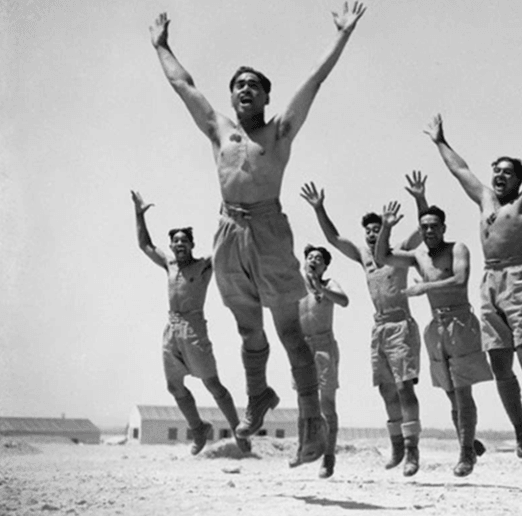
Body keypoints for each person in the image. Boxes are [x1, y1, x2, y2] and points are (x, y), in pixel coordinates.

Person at [149, 2, 366, 465]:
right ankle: (259, 395)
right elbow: (182, 84)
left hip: (268, 229)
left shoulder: (279, 134)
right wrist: (161, 45)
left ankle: (311, 430)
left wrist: (342, 35)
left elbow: (315, 80)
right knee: (248, 328)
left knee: (290, 331)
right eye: (239, 85)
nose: (246, 89)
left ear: (266, 98)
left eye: (255, 85)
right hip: (228, 233)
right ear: (231, 98)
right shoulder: (218, 131)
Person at [423, 114, 522, 460]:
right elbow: (461, 170)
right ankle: (521, 425)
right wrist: (441, 141)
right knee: (500, 364)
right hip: (490, 284)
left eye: (507, 172)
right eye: (496, 171)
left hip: (520, 280)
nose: (499, 176)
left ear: (519, 180)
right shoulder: (485, 200)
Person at [299, 174, 427, 477]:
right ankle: (396, 444)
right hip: (379, 328)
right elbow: (333, 239)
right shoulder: (363, 257)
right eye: (368, 230)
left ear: (385, 228)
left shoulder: (399, 251)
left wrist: (420, 199)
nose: (372, 234)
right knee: (385, 390)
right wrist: (319, 208)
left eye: (377, 228)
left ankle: (412, 449)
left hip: (401, 325)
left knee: (404, 387)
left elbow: (424, 229)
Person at [375, 202, 494, 477]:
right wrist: (386, 227)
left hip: (461, 322)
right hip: (436, 327)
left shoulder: (457, 249)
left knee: (463, 392)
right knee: (451, 392)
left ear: (443, 228)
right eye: (424, 227)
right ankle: (469, 440)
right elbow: (382, 256)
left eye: (434, 226)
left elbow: (460, 279)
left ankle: (465, 454)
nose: (429, 231)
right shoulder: (419, 256)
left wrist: (423, 287)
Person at [131, 190, 250, 456]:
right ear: (171, 246)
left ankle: (237, 430)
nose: (180, 244)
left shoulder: (204, 265)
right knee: (174, 386)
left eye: (185, 240)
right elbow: (145, 245)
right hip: (170, 331)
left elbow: (225, 243)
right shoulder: (169, 264)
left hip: (194, 329)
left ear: (192, 244)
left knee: (212, 384)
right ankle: (198, 428)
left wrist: (228, 213)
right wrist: (139, 214)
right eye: (176, 241)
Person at [290, 244, 349, 478]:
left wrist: (319, 287)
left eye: (319, 259)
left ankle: (329, 457)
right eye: (310, 257)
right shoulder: (296, 287)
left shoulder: (328, 285)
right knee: (303, 404)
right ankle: (301, 449)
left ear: (324, 266)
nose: (313, 260)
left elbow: (344, 301)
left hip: (324, 347)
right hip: (302, 348)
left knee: (327, 406)